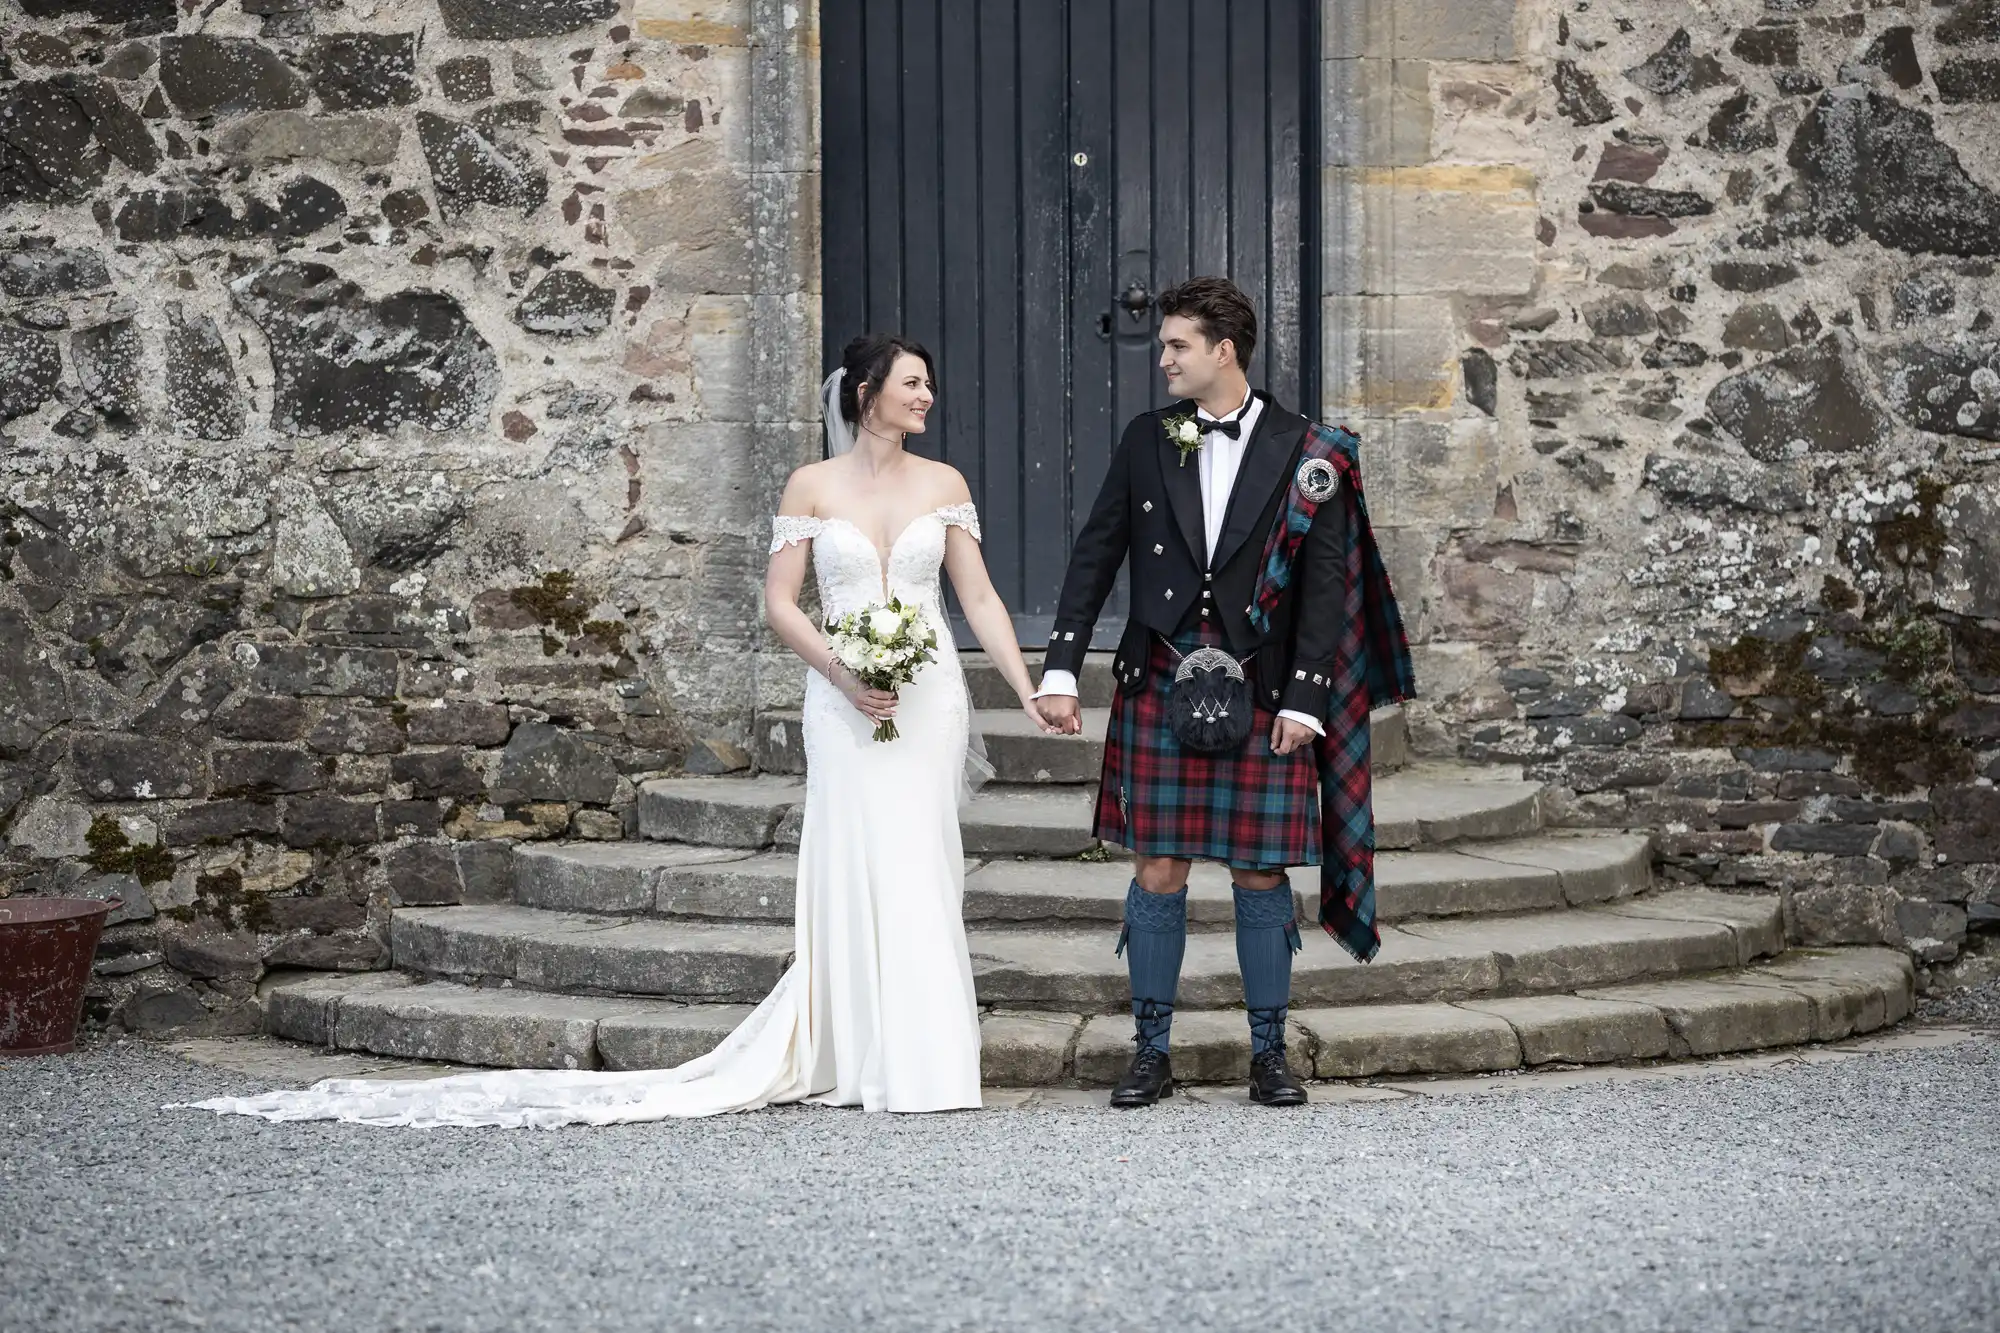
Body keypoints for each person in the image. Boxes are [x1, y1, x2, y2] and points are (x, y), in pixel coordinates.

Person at [179, 334, 1055, 1127]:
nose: (927, 398)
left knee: (920, 857)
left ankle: (930, 1062)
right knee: (855, 859)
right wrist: (841, 670)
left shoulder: (946, 485)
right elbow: (780, 603)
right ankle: (862, 1054)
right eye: (913, 384)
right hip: (843, 693)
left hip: (925, 694)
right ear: (868, 393)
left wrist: (1027, 688)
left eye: (929, 387)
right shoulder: (811, 486)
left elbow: (974, 598)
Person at [1035, 276, 1414, 1110]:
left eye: (1176, 345)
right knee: (1158, 865)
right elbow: (1096, 554)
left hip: (1264, 683)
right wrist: (1060, 666)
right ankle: (1151, 1049)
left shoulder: (1306, 450)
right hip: (1160, 673)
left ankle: (1270, 1053)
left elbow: (1326, 589)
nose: (1162, 357)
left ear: (1223, 351)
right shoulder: (1148, 438)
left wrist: (1307, 699)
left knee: (1257, 868)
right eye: (1165, 344)